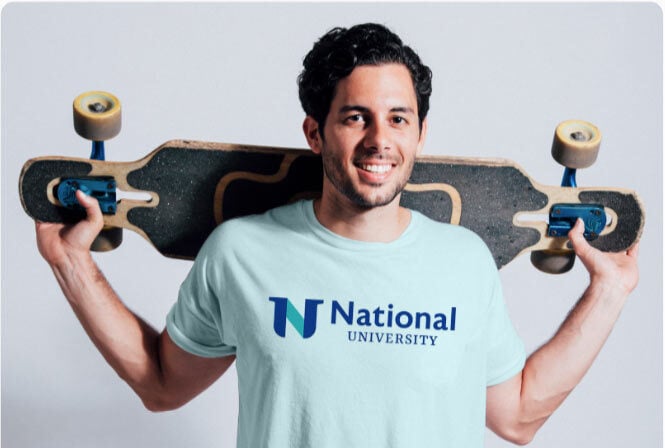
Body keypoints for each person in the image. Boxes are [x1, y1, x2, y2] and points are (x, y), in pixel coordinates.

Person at [35, 23, 639, 447]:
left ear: (420, 134)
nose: (380, 140)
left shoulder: (465, 262)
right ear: (315, 132)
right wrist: (72, 265)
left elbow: (519, 417)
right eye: (356, 117)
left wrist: (609, 291)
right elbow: (162, 384)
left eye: (398, 118)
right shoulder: (241, 253)